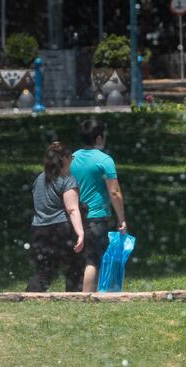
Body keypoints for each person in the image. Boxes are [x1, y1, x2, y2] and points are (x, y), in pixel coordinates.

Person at [71, 118, 127, 293]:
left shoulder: (72, 158)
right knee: (93, 261)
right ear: (99, 139)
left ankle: (74, 293)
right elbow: (114, 192)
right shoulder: (104, 160)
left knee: (78, 260)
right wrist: (122, 219)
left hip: (75, 216)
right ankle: (87, 299)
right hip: (97, 216)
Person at [25, 141, 85, 292]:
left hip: (38, 229)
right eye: (71, 156)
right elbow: (72, 209)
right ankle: (74, 298)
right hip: (59, 230)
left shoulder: (39, 179)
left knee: (44, 272)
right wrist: (80, 232)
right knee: (75, 266)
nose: (72, 159)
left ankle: (30, 297)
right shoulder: (67, 179)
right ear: (64, 158)